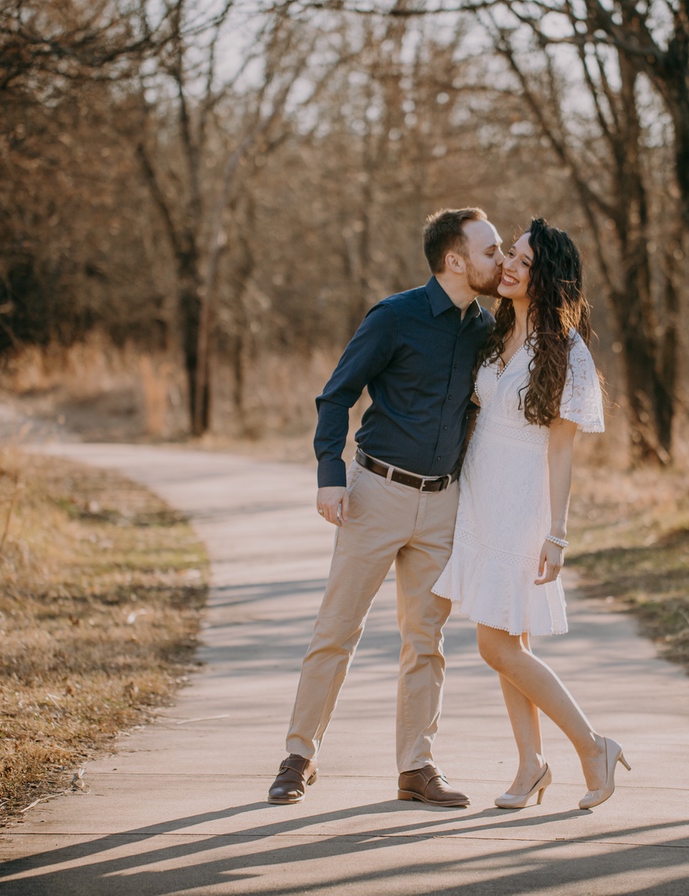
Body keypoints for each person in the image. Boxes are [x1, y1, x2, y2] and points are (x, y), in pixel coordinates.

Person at [267, 208, 503, 808]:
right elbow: (336, 395)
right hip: (376, 494)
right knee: (337, 629)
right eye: (491, 250)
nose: (500, 260)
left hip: (443, 501)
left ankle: (416, 768)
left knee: (426, 640)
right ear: (455, 259)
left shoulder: (486, 329)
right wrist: (329, 475)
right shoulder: (393, 317)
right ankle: (299, 756)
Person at [432, 218, 628, 811]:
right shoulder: (495, 335)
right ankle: (530, 765)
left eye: (521, 260)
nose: (509, 266)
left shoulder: (565, 350)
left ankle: (593, 746)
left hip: (523, 505)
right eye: (508, 255)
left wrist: (557, 534)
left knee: (495, 645)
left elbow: (562, 448)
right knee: (505, 636)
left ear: (546, 275)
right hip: (481, 498)